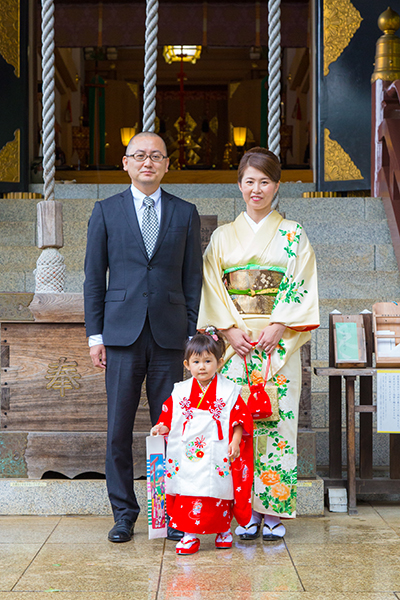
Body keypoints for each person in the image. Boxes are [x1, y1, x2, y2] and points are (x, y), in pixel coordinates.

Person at [84, 132, 203, 543]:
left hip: (171, 337)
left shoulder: (185, 212)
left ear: (168, 164)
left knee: (171, 428)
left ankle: (169, 512)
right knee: (118, 427)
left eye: (156, 156)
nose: (147, 162)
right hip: (120, 335)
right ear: (125, 163)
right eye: (139, 156)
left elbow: (192, 278)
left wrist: (191, 333)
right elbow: (93, 279)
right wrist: (95, 335)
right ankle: (123, 514)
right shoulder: (105, 211)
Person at [197, 147, 319, 541]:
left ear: (277, 185)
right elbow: (213, 286)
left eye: (264, 181)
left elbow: (300, 281)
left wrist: (280, 325)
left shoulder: (293, 233)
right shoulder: (221, 237)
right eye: (249, 181)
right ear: (239, 185)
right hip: (235, 344)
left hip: (275, 344)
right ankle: (242, 512)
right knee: (235, 427)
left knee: (278, 424)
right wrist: (230, 330)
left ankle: (273, 512)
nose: (256, 189)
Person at [151, 329, 253, 555]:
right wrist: (162, 427)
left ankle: (223, 530)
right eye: (196, 362)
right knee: (188, 490)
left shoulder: (229, 391)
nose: (203, 366)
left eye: (208, 361)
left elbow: (239, 420)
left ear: (219, 362)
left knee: (219, 491)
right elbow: (169, 415)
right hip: (188, 453)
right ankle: (189, 535)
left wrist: (236, 442)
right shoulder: (180, 391)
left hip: (218, 450)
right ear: (187, 364)